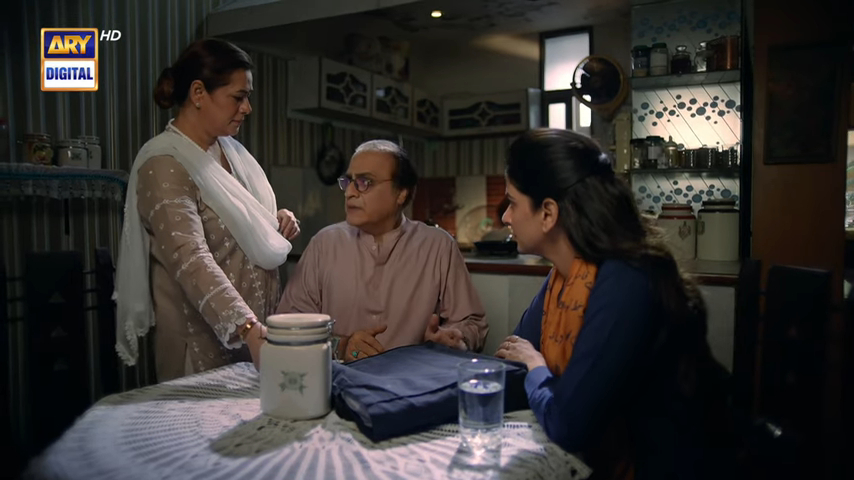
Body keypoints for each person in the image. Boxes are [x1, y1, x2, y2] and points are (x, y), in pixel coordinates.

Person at [494, 129, 733, 480]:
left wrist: (535, 365)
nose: (505, 218)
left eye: (512, 203)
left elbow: (567, 423)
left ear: (547, 213)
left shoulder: (627, 279)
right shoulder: (562, 275)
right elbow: (512, 361)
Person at [114, 38, 301, 382]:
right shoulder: (164, 165)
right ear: (198, 93)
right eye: (238, 97)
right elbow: (191, 258)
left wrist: (276, 220)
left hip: (254, 342)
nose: (247, 108)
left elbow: (243, 225)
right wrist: (248, 328)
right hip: (202, 350)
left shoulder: (232, 154)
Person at [277, 139, 488, 362]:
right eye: (348, 181)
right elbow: (289, 327)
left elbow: (472, 323)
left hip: (412, 378)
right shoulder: (324, 244)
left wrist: (455, 340)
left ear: (401, 193)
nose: (349, 193)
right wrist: (341, 346)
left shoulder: (437, 246)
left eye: (364, 182)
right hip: (340, 378)